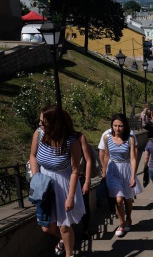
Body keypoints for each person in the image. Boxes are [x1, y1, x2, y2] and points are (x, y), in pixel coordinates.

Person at [29, 105, 85, 257]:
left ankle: (69, 254)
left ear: (55, 124)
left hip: (63, 184)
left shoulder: (71, 141)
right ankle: (63, 240)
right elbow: (33, 156)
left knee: (65, 226)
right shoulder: (39, 134)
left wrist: (70, 197)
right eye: (40, 121)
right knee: (46, 226)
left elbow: (74, 171)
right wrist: (36, 178)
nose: (40, 125)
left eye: (43, 122)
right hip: (44, 183)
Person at [102, 113, 142, 237]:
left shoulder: (130, 138)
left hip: (126, 169)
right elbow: (106, 156)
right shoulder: (106, 137)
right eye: (115, 126)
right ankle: (122, 223)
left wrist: (133, 175)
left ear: (124, 126)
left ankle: (129, 217)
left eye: (120, 126)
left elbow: (133, 158)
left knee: (128, 199)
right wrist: (104, 172)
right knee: (118, 199)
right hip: (113, 169)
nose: (117, 129)